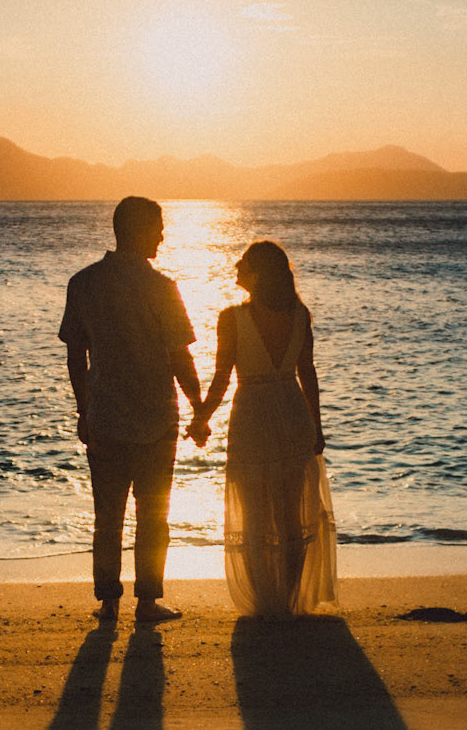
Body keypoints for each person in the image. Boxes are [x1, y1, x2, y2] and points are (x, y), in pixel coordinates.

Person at [60, 196, 205, 625]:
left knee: (108, 517)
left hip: (105, 416)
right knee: (153, 515)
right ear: (139, 230)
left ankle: (108, 603)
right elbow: (180, 357)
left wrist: (83, 410)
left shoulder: (83, 283)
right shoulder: (162, 287)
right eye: (158, 227)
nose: (163, 235)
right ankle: (146, 602)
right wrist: (199, 407)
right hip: (157, 419)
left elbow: (76, 356)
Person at [193, 240, 338, 619]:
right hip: (292, 410)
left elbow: (222, 378)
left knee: (255, 512)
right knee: (292, 514)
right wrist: (316, 426)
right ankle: (288, 598)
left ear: (258, 274)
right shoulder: (299, 314)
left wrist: (202, 417)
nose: (236, 268)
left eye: (243, 263)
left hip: (253, 413)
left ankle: (265, 602)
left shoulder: (232, 318)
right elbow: (307, 373)